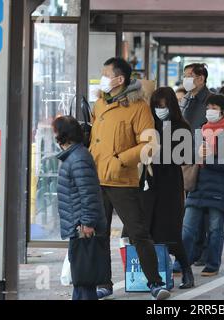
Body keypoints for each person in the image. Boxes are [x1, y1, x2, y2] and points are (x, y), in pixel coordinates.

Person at [89, 57, 170, 300]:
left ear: (119, 79)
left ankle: (155, 282)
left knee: (138, 232)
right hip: (97, 179)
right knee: (99, 234)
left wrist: (120, 160)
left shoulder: (138, 107)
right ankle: (104, 283)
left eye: (106, 73)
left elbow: (150, 144)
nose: (102, 77)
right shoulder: (100, 105)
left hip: (123, 180)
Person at [141, 87, 194, 289]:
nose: (159, 109)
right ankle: (161, 274)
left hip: (170, 184)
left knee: (171, 230)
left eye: (163, 106)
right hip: (149, 183)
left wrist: (163, 152)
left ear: (171, 105)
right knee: (149, 229)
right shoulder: (149, 124)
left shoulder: (182, 126)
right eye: (156, 106)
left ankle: (186, 270)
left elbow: (187, 157)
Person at [183, 94, 224, 276]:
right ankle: (183, 261)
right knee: (187, 228)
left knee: (215, 229)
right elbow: (191, 155)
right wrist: (196, 154)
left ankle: (213, 264)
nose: (210, 111)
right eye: (208, 108)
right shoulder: (201, 130)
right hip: (197, 186)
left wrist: (208, 158)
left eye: (214, 108)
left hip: (219, 188)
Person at [53, 116, 108, 300]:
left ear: (63, 135)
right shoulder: (75, 156)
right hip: (78, 226)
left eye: (56, 132)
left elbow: (89, 193)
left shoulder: (77, 158)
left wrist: (87, 223)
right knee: (81, 279)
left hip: (82, 227)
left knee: (84, 279)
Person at [179, 63, 212, 267]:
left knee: (203, 209)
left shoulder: (211, 101)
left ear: (200, 78)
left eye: (189, 76)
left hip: (204, 160)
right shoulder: (186, 99)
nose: (186, 79)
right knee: (190, 206)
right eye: (185, 76)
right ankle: (193, 250)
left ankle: (202, 250)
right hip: (185, 158)